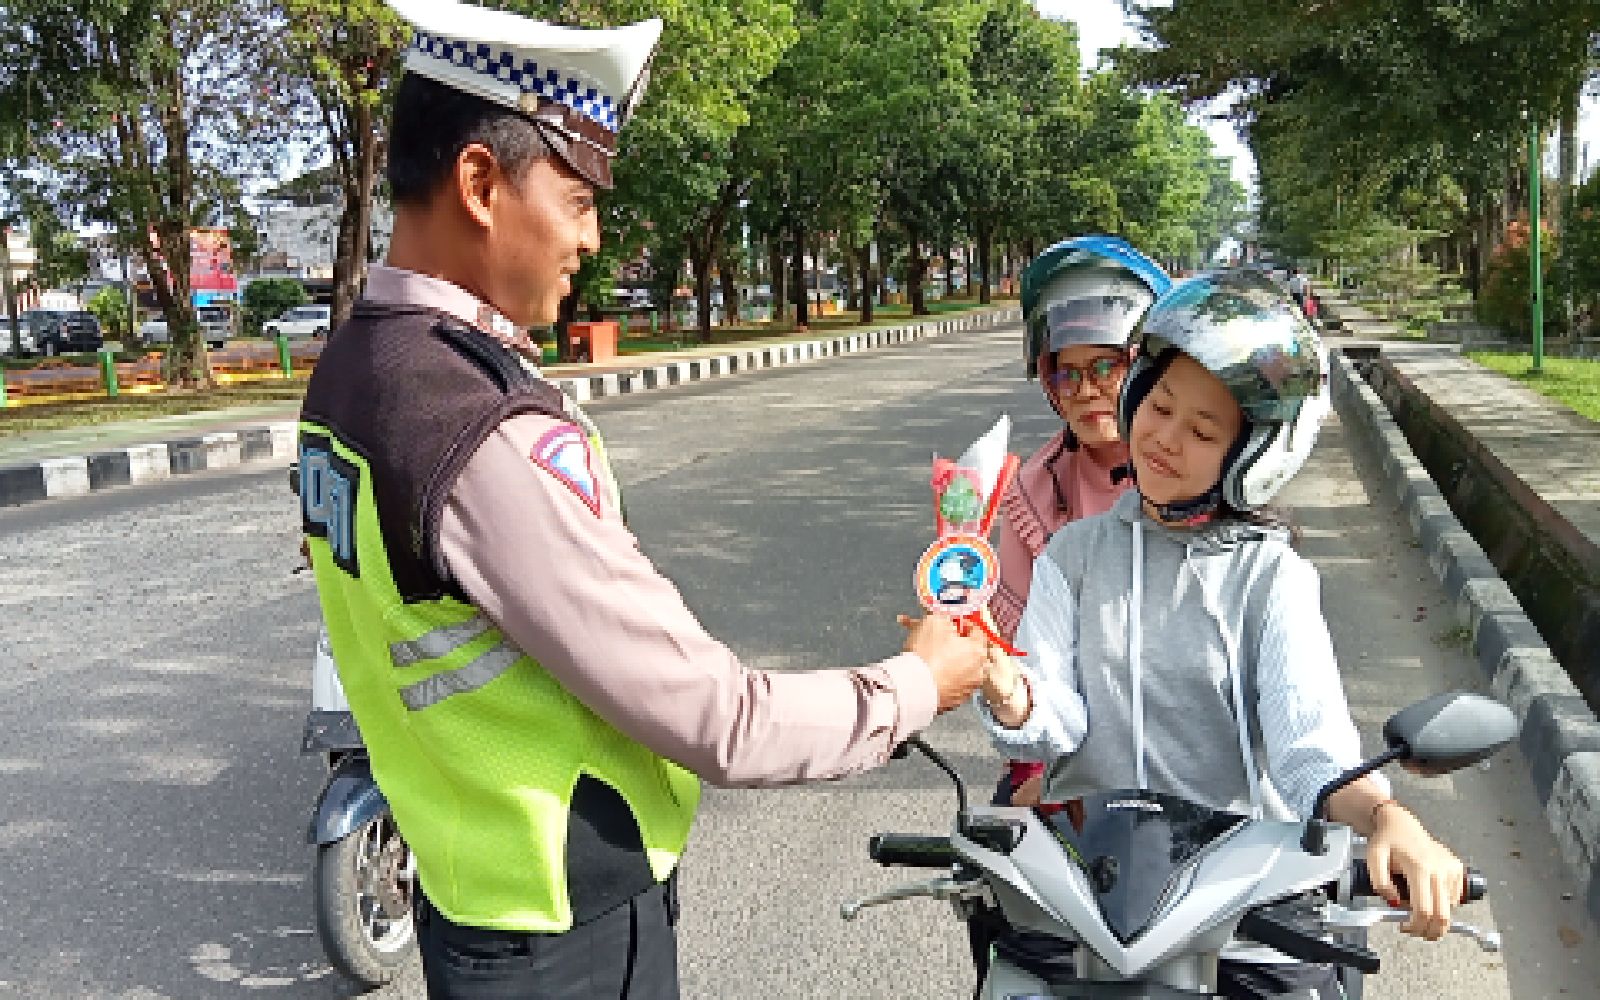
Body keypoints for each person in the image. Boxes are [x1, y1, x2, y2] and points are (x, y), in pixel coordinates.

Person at [295, 2, 990, 997]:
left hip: (469, 893)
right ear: (482, 183)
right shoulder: (477, 424)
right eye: (578, 199)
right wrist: (919, 684)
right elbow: (719, 718)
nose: (592, 236)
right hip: (563, 941)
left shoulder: (353, 370)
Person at [975, 269, 1467, 999]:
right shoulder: (1073, 556)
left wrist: (1389, 819)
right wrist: (1012, 694)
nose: (1165, 439)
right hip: (1091, 898)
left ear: (1254, 456)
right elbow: (1057, 722)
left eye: (1202, 431)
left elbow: (1310, 754)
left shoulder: (1273, 579)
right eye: (1160, 405)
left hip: (1239, 911)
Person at [990, 235, 1171, 806]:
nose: (1086, 389)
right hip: (1060, 761)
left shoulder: (1196, 480)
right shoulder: (1032, 492)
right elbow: (1022, 659)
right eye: (1068, 374)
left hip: (1192, 767)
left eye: (1105, 366)